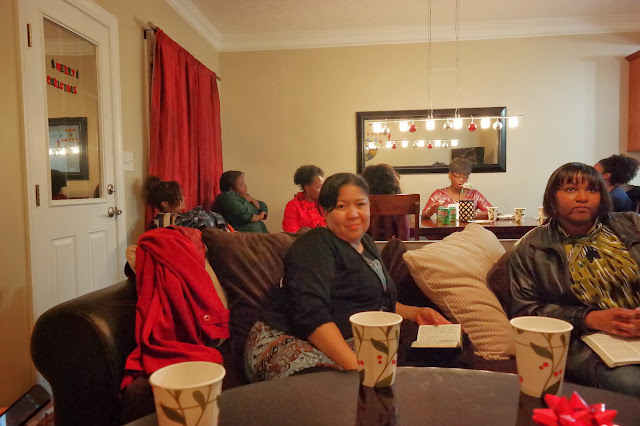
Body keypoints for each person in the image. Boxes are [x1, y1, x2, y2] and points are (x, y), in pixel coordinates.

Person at [244, 173, 450, 382]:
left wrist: (415, 313)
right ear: (324, 211)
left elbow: (376, 300)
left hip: (342, 340)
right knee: (332, 389)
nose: (353, 214)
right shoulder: (315, 245)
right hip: (290, 338)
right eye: (341, 206)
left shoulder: (366, 243)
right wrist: (360, 371)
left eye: (360, 204)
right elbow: (310, 315)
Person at [509, 162, 640, 397]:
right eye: (570, 189)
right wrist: (590, 318)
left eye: (592, 189)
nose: (582, 197)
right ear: (552, 197)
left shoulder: (632, 225)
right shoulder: (531, 247)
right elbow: (525, 311)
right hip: (584, 340)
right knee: (631, 383)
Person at [144, 175, 227, 231]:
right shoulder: (162, 221)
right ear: (164, 203)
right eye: (178, 197)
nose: (184, 198)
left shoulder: (179, 217)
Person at [421, 157, 492, 219]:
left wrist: (472, 214)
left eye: (465, 176)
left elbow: (491, 212)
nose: (461, 180)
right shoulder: (439, 194)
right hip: (445, 229)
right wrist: (431, 210)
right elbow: (423, 216)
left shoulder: (474, 195)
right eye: (457, 176)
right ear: (450, 175)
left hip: (468, 229)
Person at [361, 163, 410, 240]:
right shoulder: (399, 202)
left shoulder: (361, 204)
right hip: (392, 246)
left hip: (365, 246)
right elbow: (404, 236)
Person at [282, 165, 325, 232]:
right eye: (319, 187)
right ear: (307, 188)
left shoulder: (326, 203)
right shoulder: (293, 206)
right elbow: (292, 233)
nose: (324, 190)